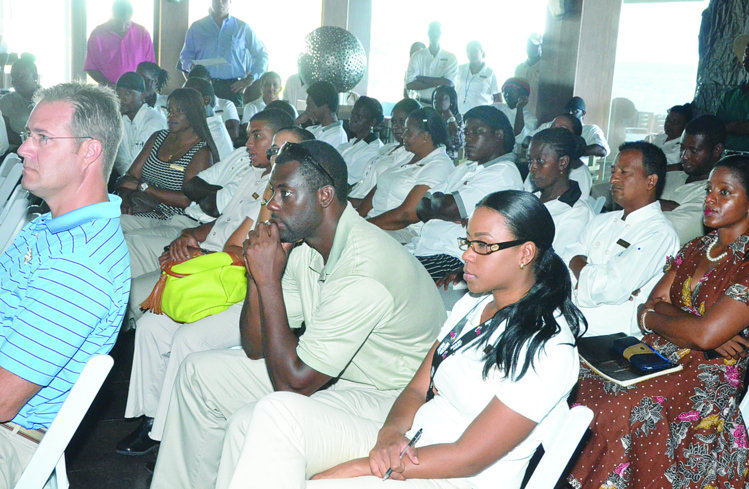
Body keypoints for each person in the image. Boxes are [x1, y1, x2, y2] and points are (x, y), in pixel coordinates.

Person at [221, 190, 585, 489]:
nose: (466, 255)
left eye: (483, 246)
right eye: (468, 241)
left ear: (525, 253)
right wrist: (390, 434)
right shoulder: (474, 306)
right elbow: (416, 389)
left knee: (314, 481)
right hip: (411, 446)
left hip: (454, 479)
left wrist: (355, 467)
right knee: (267, 415)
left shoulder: (550, 349)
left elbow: (469, 456)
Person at [148, 140, 446, 489]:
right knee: (199, 373)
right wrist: (258, 277)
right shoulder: (308, 244)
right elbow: (255, 345)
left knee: (254, 420)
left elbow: (294, 383)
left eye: (285, 194)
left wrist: (267, 279)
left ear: (324, 196)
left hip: (390, 398)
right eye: (273, 191)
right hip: (339, 374)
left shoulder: (364, 268)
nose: (271, 205)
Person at [568, 155, 749, 489]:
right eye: (710, 189)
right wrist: (681, 323)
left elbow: (700, 336)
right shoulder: (697, 247)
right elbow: (649, 306)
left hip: (706, 375)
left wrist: (675, 323)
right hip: (653, 354)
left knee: (624, 404)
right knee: (578, 376)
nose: (709, 199)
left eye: (724, 192)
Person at [115, 113, 303, 457]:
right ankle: (151, 417)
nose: (272, 156)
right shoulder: (265, 191)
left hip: (259, 297)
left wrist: (203, 255)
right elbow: (232, 239)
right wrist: (194, 243)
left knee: (188, 338)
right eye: (273, 150)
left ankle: (170, 433)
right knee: (153, 327)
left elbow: (248, 256)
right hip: (232, 277)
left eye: (279, 149)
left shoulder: (297, 204)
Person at [0, 83, 130, 488]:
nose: (23, 149)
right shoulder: (48, 225)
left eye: (42, 138)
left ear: (89, 151)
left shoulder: (80, 266)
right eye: (28, 136)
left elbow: (4, 400)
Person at [562, 142, 679, 337]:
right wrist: (588, 272)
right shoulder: (601, 221)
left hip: (610, 339)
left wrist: (577, 262)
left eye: (624, 172)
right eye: (613, 170)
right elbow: (564, 260)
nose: (613, 178)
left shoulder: (659, 234)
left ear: (650, 181)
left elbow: (611, 287)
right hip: (569, 321)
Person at [115, 88, 217, 278]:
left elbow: (186, 200)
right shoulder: (159, 138)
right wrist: (127, 196)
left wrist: (144, 188)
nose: (171, 116)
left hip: (177, 220)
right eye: (170, 110)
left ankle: (126, 289)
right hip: (147, 210)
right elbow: (130, 177)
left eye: (179, 111)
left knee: (130, 241)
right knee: (109, 224)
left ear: (193, 115)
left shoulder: (201, 152)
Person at [413, 106, 523, 279]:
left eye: (477, 132)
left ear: (499, 135)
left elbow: (448, 208)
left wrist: (444, 207)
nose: (468, 139)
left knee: (386, 276)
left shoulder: (502, 173)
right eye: (466, 132)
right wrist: (446, 209)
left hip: (451, 258)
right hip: (422, 246)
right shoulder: (467, 167)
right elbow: (421, 207)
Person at [358, 107, 454, 244]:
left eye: (408, 132)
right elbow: (379, 187)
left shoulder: (439, 166)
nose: (403, 136)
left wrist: (362, 226)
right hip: (375, 223)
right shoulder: (408, 155)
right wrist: (356, 218)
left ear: (425, 136)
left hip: (405, 233)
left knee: (354, 242)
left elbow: (407, 214)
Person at [179, 0, 268, 107]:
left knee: (233, 124)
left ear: (230, 1)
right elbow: (185, 57)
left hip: (233, 88)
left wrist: (250, 79)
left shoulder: (242, 28)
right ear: (211, 0)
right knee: (203, 123)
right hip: (204, 86)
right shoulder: (197, 27)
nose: (220, 1)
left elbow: (262, 55)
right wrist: (192, 71)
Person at [527, 128, 594, 259]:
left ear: (562, 162)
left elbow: (556, 264)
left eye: (540, 161)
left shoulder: (576, 214)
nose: (532, 168)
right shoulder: (532, 199)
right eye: (530, 161)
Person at [660, 115, 725, 245]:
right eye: (682, 148)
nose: (684, 156)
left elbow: (667, 233)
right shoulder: (669, 177)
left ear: (717, 150)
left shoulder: (715, 196)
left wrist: (644, 201)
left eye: (693, 151)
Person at [348, 98, 420, 203]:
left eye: (402, 122)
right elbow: (363, 182)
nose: (396, 126)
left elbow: (383, 197)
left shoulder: (410, 156)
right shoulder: (388, 148)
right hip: (354, 197)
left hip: (366, 206)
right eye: (394, 121)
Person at [84, 0, 155, 86]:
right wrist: (109, 85)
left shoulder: (142, 33)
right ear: (111, 15)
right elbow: (91, 68)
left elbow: (150, 66)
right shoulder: (97, 34)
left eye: (127, 23)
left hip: (136, 90)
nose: (122, 27)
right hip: (108, 90)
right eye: (118, 22)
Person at [524, 114, 592, 200]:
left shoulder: (581, 173)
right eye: (552, 126)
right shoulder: (538, 165)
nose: (553, 130)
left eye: (562, 128)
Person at [114, 72, 167, 176]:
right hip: (128, 181)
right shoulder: (121, 120)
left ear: (143, 96)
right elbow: (121, 161)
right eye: (118, 94)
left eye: (128, 94)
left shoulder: (153, 121)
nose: (121, 99)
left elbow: (138, 162)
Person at [535, 96, 609, 159]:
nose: (570, 113)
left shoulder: (590, 129)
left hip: (577, 168)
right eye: (568, 111)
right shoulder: (554, 124)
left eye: (575, 111)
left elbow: (602, 150)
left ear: (583, 113)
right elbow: (530, 138)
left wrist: (573, 151)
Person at [405, 22, 458, 105]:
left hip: (442, 106)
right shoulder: (417, 55)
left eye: (437, 31)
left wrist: (421, 78)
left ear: (441, 33)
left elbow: (448, 83)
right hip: (420, 103)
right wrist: (440, 81)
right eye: (432, 31)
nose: (434, 33)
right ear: (428, 33)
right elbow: (409, 85)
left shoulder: (451, 57)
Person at [336, 96, 384, 186]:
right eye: (352, 114)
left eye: (359, 116)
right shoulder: (350, 143)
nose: (353, 119)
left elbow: (351, 182)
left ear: (372, 122)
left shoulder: (373, 149)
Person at [183, 77, 235, 158]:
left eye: (189, 99)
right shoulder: (203, 124)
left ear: (206, 100)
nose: (184, 105)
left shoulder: (214, 132)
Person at [187, 64, 241, 142]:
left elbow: (234, 134)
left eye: (201, 83)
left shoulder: (226, 105)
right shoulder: (185, 106)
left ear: (210, 83)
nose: (195, 90)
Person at [0, 54, 40, 146]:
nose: (14, 81)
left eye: (21, 77)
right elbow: (5, 135)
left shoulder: (48, 99)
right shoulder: (7, 101)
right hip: (16, 151)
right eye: (13, 77)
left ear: (34, 76)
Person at [453, 41, 501, 114]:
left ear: (481, 51)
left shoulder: (489, 72)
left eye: (475, 51)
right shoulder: (460, 69)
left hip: (482, 116)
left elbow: (497, 97)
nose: (471, 54)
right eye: (468, 51)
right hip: (459, 113)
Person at [297, 80, 349, 147]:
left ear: (324, 107)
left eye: (310, 106)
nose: (307, 110)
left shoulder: (337, 136)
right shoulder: (312, 129)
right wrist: (297, 122)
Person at [645, 102, 693, 170]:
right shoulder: (659, 138)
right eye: (668, 120)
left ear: (686, 125)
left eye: (675, 122)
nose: (669, 124)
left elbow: (680, 167)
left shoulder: (683, 145)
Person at [514, 33, 542, 120]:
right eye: (529, 45)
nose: (531, 48)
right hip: (520, 116)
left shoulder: (546, 69)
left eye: (534, 46)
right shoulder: (519, 68)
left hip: (538, 117)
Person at [432, 85, 463, 160]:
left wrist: (451, 119)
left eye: (441, 99)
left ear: (451, 101)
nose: (436, 102)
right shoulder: (431, 118)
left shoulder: (459, 119)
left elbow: (457, 144)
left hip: (451, 158)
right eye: (435, 99)